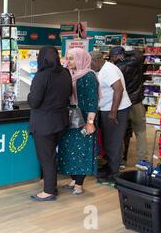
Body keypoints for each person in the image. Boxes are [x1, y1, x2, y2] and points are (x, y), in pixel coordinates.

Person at [27, 47, 72, 201]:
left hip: (43, 123)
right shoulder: (65, 73)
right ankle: (52, 186)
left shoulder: (42, 76)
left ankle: (48, 191)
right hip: (60, 121)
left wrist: (29, 95)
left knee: (46, 158)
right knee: (52, 156)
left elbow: (34, 101)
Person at [58, 48, 99, 195]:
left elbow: (93, 101)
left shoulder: (88, 76)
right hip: (71, 119)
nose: (67, 62)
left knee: (82, 150)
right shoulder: (70, 75)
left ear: (81, 59)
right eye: (67, 58)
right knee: (70, 150)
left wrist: (90, 122)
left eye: (71, 59)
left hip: (84, 120)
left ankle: (79, 184)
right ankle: (74, 179)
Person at [90, 50, 132, 184]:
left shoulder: (109, 70)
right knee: (108, 140)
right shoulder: (102, 69)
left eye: (89, 63)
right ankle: (110, 166)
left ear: (96, 61)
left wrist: (113, 112)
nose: (89, 66)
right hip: (107, 108)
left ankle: (114, 173)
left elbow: (118, 89)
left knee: (114, 141)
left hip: (117, 110)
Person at [109, 46, 148, 167]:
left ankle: (120, 160)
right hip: (136, 102)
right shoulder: (136, 63)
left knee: (120, 132)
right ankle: (142, 160)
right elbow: (139, 53)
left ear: (116, 56)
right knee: (140, 130)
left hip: (121, 104)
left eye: (112, 56)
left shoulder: (115, 68)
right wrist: (126, 53)